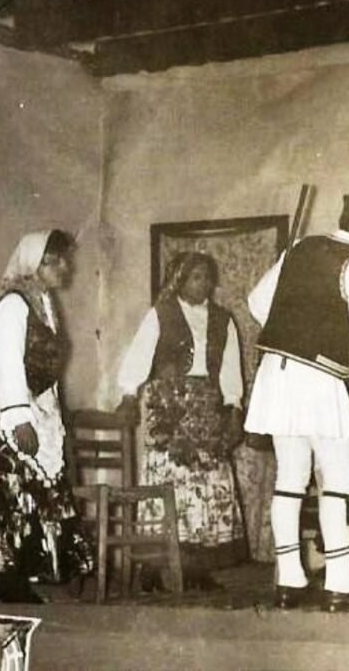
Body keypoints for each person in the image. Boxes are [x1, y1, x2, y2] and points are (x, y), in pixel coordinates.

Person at [245, 188, 349, 612]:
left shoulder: (298, 249)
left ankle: (289, 581)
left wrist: (294, 324)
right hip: (321, 377)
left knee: (290, 478)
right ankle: (341, 584)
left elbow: (257, 303)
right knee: (341, 477)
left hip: (277, 376)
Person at [0, 230, 93, 603]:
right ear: (34, 264)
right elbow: (7, 363)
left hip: (37, 404)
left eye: (63, 260)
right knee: (10, 490)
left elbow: (45, 366)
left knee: (34, 488)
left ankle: (23, 575)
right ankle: (4, 581)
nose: (64, 267)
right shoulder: (13, 305)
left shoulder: (44, 303)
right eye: (55, 261)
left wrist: (50, 415)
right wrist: (19, 418)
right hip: (9, 406)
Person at [116, 251, 248, 591]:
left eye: (207, 277)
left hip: (208, 410)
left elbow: (230, 369)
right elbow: (138, 356)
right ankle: (154, 565)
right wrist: (129, 394)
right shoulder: (161, 314)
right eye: (196, 277)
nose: (204, 284)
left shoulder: (223, 320)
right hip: (170, 409)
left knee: (205, 487)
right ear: (180, 280)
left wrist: (234, 409)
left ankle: (197, 567)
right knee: (172, 484)